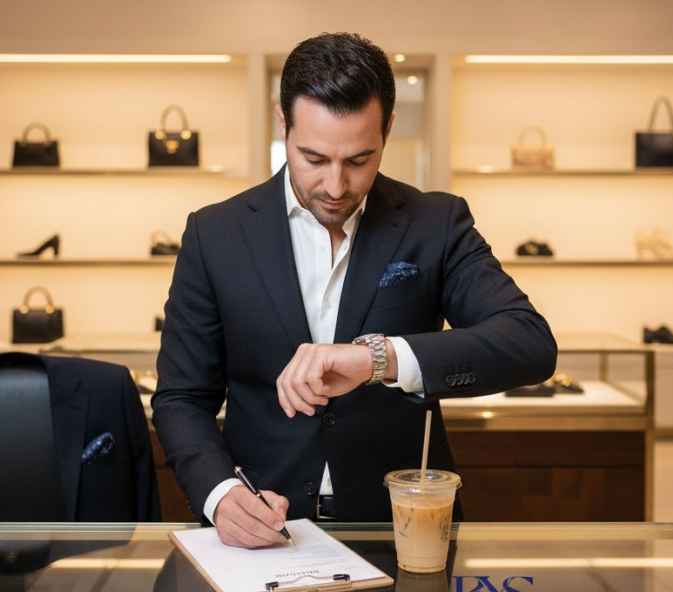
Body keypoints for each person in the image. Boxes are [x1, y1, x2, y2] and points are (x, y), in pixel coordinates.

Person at [153, 32, 556, 548]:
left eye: (359, 160)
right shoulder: (215, 234)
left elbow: (529, 342)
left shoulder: (435, 223)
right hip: (261, 530)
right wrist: (219, 493)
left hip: (405, 528)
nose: (336, 187)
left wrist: (379, 358)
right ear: (283, 123)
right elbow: (182, 397)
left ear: (388, 128)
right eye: (314, 158)